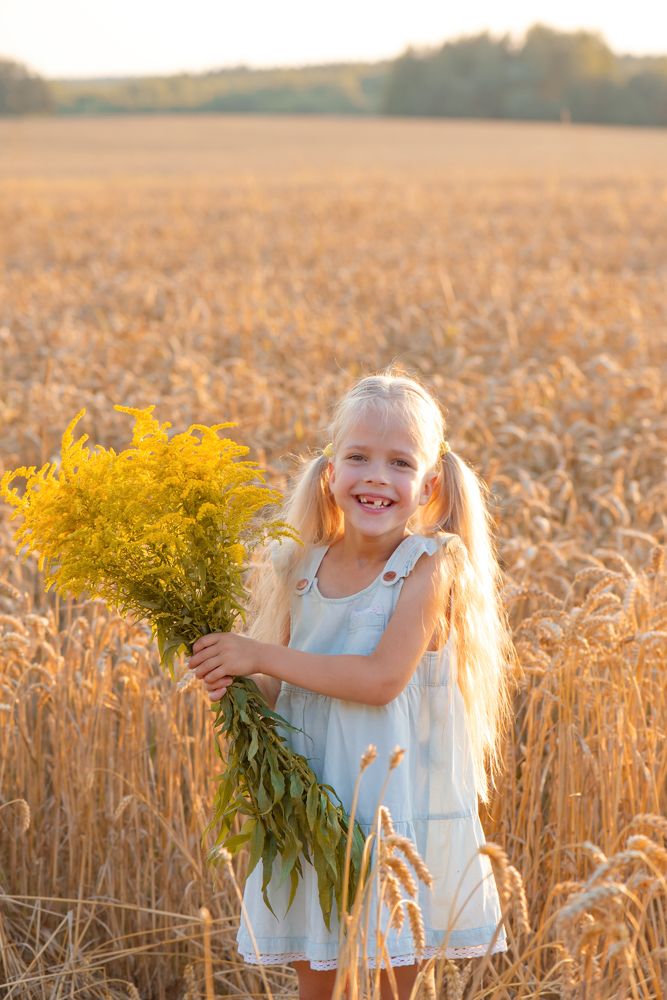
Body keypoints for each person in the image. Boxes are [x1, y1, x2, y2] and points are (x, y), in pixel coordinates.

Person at [188, 366, 515, 1000]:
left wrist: (257, 654)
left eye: (399, 463)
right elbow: (287, 694)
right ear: (330, 472)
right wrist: (235, 681)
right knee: (319, 990)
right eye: (358, 456)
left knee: (391, 988)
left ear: (429, 484)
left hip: (393, 818)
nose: (376, 477)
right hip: (316, 808)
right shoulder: (300, 567)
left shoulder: (430, 566)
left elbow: (381, 680)